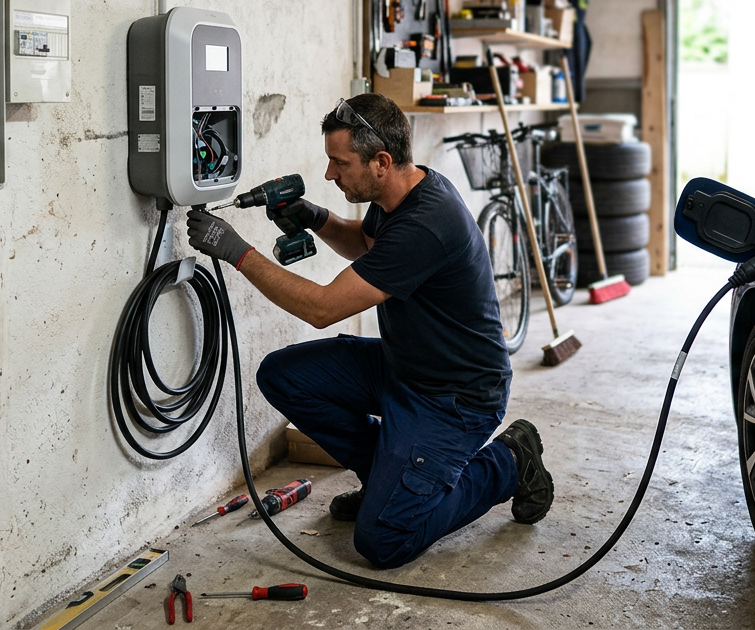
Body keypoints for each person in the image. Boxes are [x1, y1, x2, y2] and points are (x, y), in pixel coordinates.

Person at [184, 93, 554, 569]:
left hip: (455, 396)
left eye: (339, 163)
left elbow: (321, 309)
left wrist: (235, 250)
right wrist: (316, 218)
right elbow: (367, 245)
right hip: (404, 367)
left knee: (383, 541)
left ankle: (508, 462)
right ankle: (385, 474)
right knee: (283, 375)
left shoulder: (427, 223)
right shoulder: (400, 191)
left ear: (381, 161)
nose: (329, 174)